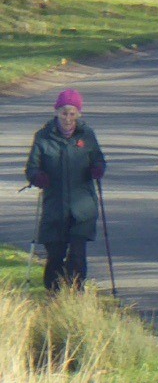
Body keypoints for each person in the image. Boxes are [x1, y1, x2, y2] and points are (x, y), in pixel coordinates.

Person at [24, 89, 106, 291]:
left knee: (77, 255)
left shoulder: (87, 136)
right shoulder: (43, 137)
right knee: (55, 256)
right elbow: (31, 167)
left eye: (72, 113)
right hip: (55, 207)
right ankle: (54, 295)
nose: (68, 118)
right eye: (64, 113)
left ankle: (75, 294)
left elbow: (98, 159)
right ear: (56, 112)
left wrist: (98, 168)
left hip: (82, 208)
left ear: (79, 114)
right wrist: (37, 176)